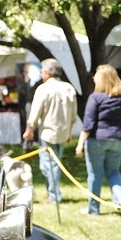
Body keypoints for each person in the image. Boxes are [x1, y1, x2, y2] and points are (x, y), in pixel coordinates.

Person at [75, 65, 121, 217]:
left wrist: (80, 144)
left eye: (96, 76)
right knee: (113, 171)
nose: (93, 78)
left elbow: (88, 124)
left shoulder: (96, 97)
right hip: (118, 139)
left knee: (95, 174)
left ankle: (93, 209)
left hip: (98, 140)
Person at [23, 58, 77, 204]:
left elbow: (35, 112)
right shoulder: (69, 88)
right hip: (63, 132)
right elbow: (73, 115)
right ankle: (51, 193)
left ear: (48, 72)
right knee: (55, 164)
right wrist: (70, 131)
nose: (41, 73)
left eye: (42, 70)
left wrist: (29, 129)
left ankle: (54, 196)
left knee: (48, 166)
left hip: (47, 133)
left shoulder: (43, 88)